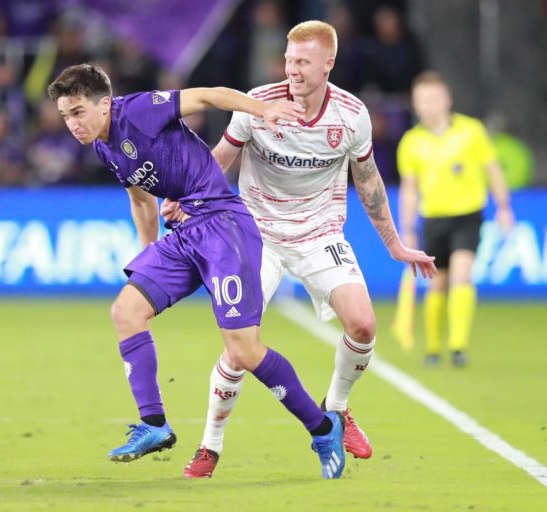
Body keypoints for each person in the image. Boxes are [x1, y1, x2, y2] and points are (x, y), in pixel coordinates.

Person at [161, 20, 436, 479]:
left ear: (328, 63)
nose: (293, 69)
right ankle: (210, 445)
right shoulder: (257, 103)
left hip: (320, 233)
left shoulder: (351, 115)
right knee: (239, 348)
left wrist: (395, 245)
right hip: (255, 233)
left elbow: (367, 181)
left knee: (364, 325)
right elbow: (223, 158)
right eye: (289, 60)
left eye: (303, 62)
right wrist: (189, 196)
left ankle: (338, 408)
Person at [48, 63, 348, 479]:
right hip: (184, 233)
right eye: (65, 116)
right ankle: (155, 426)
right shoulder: (104, 146)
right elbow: (141, 201)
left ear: (104, 104)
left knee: (243, 350)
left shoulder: (137, 111)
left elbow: (208, 94)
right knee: (127, 311)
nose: (72, 124)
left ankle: (323, 427)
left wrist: (263, 111)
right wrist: (148, 262)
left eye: (78, 112)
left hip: (224, 227)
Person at [397, 71, 514, 368]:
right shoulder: (411, 142)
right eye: (422, 100)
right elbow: (409, 190)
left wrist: (503, 206)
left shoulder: (471, 131)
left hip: (467, 216)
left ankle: (458, 345)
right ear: (415, 103)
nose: (429, 105)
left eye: (434, 99)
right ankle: (433, 349)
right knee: (438, 285)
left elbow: (493, 169)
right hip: (433, 219)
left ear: (447, 100)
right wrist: (407, 228)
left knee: (462, 275)